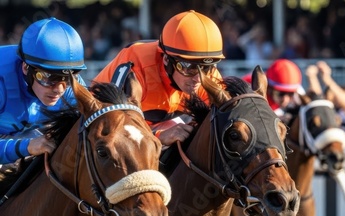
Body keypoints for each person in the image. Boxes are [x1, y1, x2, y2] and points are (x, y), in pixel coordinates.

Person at [93, 10, 224, 147]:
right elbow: (113, 133)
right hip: (103, 123)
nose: (198, 78)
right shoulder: (136, 69)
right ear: (167, 59)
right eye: (189, 67)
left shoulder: (209, 76)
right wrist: (158, 137)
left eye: (206, 67)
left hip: (156, 124)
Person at [0, 17, 87, 164]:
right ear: (26, 68)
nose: (59, 89)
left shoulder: (72, 88)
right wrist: (27, 146)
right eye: (50, 77)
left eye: (67, 79)